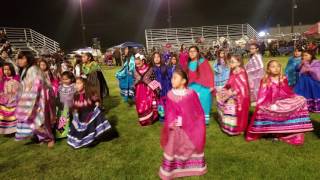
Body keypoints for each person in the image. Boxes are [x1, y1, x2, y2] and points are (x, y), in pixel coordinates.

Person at [246, 60, 313, 145]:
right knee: (262, 109)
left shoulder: (283, 78)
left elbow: (287, 92)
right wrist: (270, 103)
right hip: (269, 102)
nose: (276, 68)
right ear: (268, 69)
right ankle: (272, 131)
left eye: (278, 66)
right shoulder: (265, 80)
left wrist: (292, 97)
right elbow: (262, 94)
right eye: (273, 67)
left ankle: (292, 127)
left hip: (282, 100)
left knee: (302, 100)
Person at [159, 69, 207, 179]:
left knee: (189, 145)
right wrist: (172, 121)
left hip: (189, 129)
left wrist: (185, 119)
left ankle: (193, 167)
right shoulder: (170, 94)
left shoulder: (191, 94)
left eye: (175, 78)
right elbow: (169, 111)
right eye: (172, 78)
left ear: (183, 81)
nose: (172, 80)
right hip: (175, 129)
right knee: (173, 147)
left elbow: (197, 112)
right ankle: (173, 169)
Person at [15, 51, 55, 148]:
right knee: (34, 119)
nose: (19, 61)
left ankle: (50, 138)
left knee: (41, 118)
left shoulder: (33, 69)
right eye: (19, 58)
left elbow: (37, 85)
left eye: (22, 58)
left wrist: (27, 97)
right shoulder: (25, 70)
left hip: (39, 97)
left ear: (28, 58)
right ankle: (42, 137)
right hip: (31, 97)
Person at [67, 77, 111, 149]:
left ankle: (92, 137)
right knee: (80, 129)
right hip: (81, 115)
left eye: (79, 83)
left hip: (90, 114)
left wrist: (97, 103)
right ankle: (85, 139)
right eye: (75, 83)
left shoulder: (89, 93)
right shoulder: (75, 95)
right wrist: (74, 112)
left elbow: (96, 100)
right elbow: (74, 106)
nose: (76, 85)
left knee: (93, 121)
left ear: (84, 84)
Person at [217, 55, 250, 135]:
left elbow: (242, 87)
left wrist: (231, 93)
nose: (230, 63)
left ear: (239, 63)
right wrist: (224, 89)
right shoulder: (232, 71)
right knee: (219, 95)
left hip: (240, 96)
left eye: (232, 62)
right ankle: (227, 125)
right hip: (232, 92)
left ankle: (238, 128)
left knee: (230, 102)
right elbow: (229, 83)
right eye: (230, 61)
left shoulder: (241, 72)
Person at [187, 46, 215, 125]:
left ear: (198, 53)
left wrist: (211, 86)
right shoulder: (188, 64)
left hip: (203, 87)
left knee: (203, 102)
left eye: (194, 51)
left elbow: (209, 74)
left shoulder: (203, 61)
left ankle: (203, 120)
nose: (192, 53)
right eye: (190, 51)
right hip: (192, 87)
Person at [134, 53, 161, 126]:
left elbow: (153, 79)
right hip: (139, 92)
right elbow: (135, 79)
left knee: (148, 104)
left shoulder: (150, 69)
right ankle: (143, 120)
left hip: (148, 91)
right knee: (140, 105)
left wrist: (156, 89)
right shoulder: (135, 70)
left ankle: (150, 119)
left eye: (138, 63)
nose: (137, 65)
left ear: (143, 61)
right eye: (136, 63)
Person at [151, 52, 172, 122]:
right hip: (157, 89)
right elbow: (151, 79)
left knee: (167, 101)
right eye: (155, 57)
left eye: (158, 57)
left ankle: (168, 115)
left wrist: (169, 86)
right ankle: (162, 116)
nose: (156, 59)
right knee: (159, 102)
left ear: (161, 58)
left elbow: (170, 76)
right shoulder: (152, 69)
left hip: (166, 87)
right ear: (153, 59)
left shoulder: (165, 67)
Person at [55, 71, 76, 139]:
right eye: (63, 79)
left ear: (71, 79)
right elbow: (58, 96)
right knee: (63, 119)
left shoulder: (74, 86)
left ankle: (74, 131)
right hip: (63, 107)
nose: (65, 81)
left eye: (67, 79)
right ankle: (62, 133)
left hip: (72, 106)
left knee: (73, 119)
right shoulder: (60, 87)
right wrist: (57, 103)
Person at [0, 63, 20, 134]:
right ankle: (7, 129)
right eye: (5, 69)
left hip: (15, 100)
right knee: (5, 115)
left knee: (14, 116)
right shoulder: (3, 80)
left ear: (12, 70)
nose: (6, 71)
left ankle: (15, 130)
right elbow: (1, 90)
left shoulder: (17, 78)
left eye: (8, 69)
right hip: (5, 101)